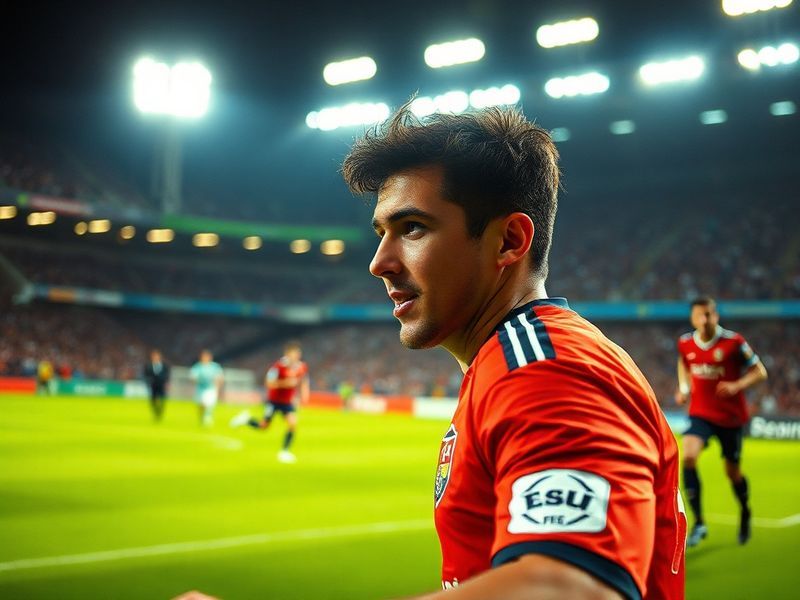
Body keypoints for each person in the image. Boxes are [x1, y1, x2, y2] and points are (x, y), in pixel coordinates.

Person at [340, 103, 686, 599]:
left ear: (510, 240)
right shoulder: (505, 364)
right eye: (381, 233)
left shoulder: (547, 370)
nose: (380, 263)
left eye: (412, 227)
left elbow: (572, 588)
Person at [675, 296, 768, 548]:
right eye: (698, 316)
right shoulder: (685, 343)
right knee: (689, 457)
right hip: (701, 413)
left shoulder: (734, 342)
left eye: (707, 315)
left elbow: (760, 371)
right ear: (693, 318)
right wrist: (684, 387)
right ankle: (700, 523)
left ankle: (745, 511)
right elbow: (684, 364)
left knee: (732, 472)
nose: (703, 320)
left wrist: (737, 384)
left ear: (715, 316)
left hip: (730, 418)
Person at [230, 341, 309, 463]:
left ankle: (284, 452)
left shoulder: (301, 366)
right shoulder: (278, 366)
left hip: (287, 402)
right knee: (263, 426)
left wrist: (305, 394)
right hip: (274, 400)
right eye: (294, 354)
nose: (297, 356)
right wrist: (284, 383)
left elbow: (303, 380)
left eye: (298, 354)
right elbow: (269, 383)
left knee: (292, 424)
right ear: (287, 354)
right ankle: (246, 419)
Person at [189, 349, 224, 427]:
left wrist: (218, 387)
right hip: (201, 389)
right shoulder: (198, 366)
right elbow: (193, 377)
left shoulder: (215, 367)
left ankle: (208, 416)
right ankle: (202, 417)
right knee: (201, 405)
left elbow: (219, 377)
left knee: (209, 404)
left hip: (211, 389)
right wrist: (197, 382)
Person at [143, 349, 170, 422]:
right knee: (153, 400)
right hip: (153, 385)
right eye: (154, 356)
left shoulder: (165, 365)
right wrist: (148, 382)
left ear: (159, 357)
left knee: (162, 400)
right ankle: (156, 412)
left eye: (157, 356)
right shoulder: (148, 365)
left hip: (161, 385)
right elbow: (145, 375)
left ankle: (160, 412)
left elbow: (167, 375)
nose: (155, 358)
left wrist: (167, 383)